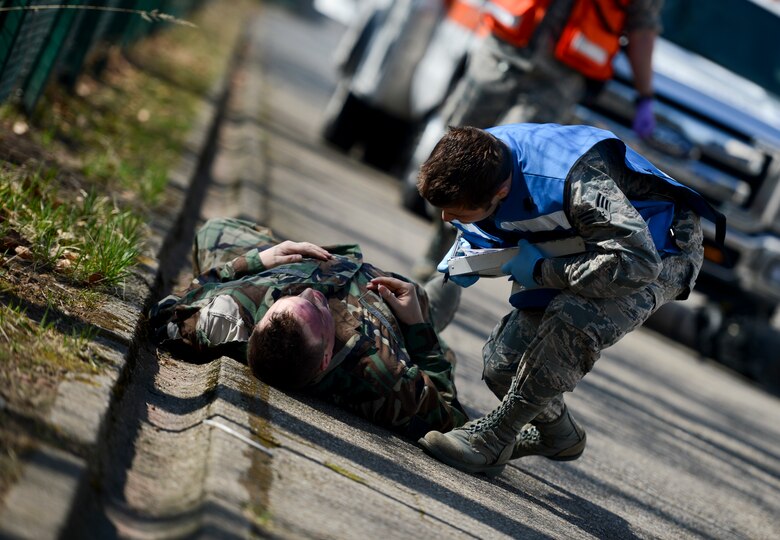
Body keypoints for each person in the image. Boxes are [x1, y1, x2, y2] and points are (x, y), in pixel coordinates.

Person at [414, 123, 725, 477]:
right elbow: (489, 219)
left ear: (500, 190)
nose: (446, 219)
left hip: (658, 247)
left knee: (573, 318)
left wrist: (545, 271)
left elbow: (637, 264)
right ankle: (559, 436)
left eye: (458, 212)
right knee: (504, 363)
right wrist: (468, 252)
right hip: (577, 241)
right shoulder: (477, 156)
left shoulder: (577, 184)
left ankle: (494, 439)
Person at [410, 0, 664, 281]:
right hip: (499, 53)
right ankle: (440, 245)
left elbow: (642, 27)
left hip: (556, 81)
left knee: (495, 175)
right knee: (454, 162)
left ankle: (458, 262)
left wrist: (645, 96)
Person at [148, 217, 468, 440]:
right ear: (326, 357)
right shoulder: (382, 376)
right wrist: (418, 327)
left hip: (291, 262)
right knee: (449, 280)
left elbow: (165, 315)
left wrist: (260, 260)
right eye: (316, 309)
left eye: (287, 300)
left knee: (214, 230)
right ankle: (464, 243)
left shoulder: (230, 317)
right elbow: (451, 418)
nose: (308, 294)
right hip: (401, 304)